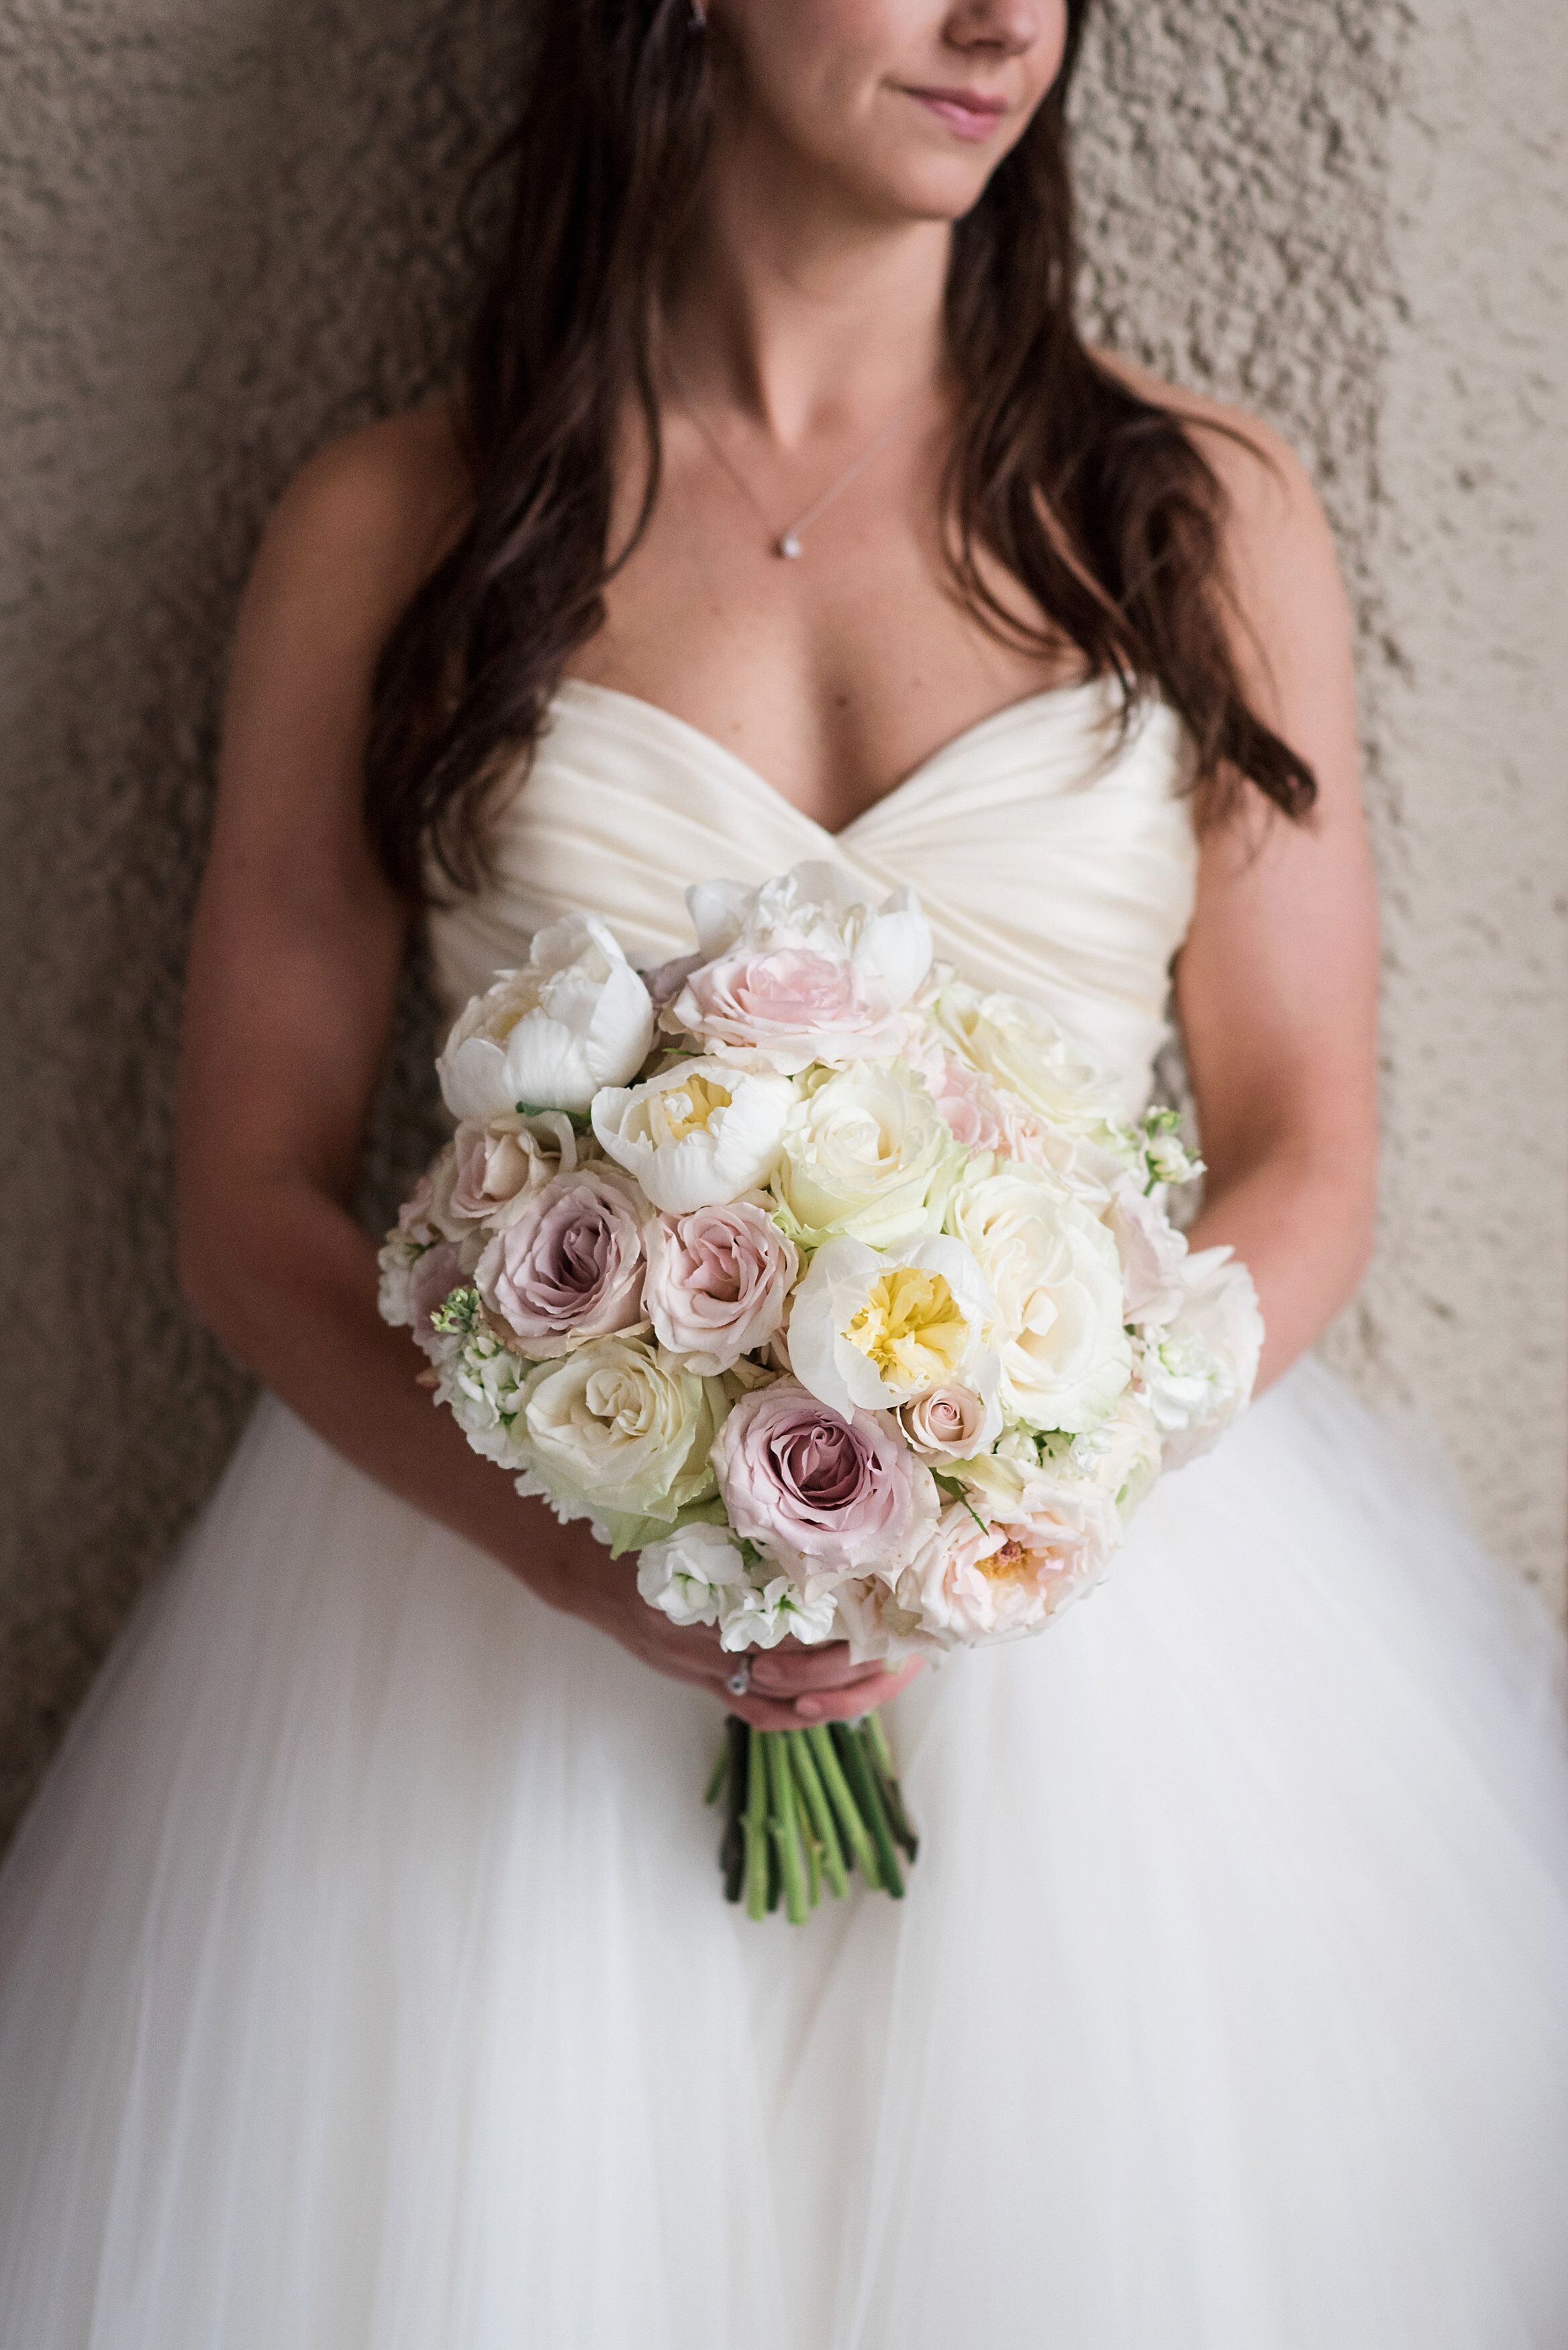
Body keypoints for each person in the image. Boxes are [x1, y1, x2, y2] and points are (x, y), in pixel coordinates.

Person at [1, 2, 1565, 2343]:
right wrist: (604, 1563)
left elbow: (1303, 1146)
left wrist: (995, 1492)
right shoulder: (403, 529)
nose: (1002, 20)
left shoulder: (1192, 506)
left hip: (1108, 1660)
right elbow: (250, 1193)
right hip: (483, 1656)